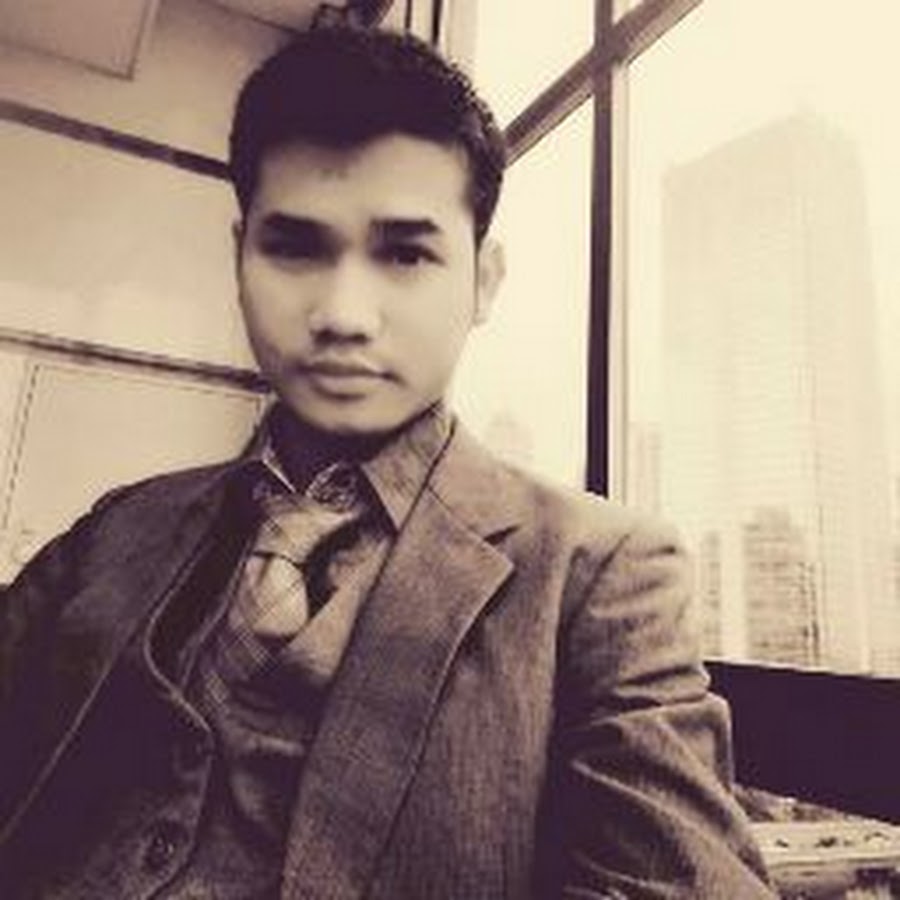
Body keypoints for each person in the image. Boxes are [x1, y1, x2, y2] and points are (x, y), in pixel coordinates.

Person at [0, 24, 774, 900]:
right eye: (295, 246)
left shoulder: (601, 572)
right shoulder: (116, 530)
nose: (343, 314)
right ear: (239, 256)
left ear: (483, 281)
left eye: (405, 253)